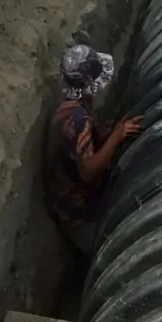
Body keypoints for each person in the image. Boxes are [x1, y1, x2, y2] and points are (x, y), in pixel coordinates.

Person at [44, 45, 142, 255]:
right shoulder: (78, 121)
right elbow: (88, 172)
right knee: (115, 251)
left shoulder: (70, 109)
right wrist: (117, 137)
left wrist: (113, 134)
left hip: (71, 199)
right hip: (79, 214)